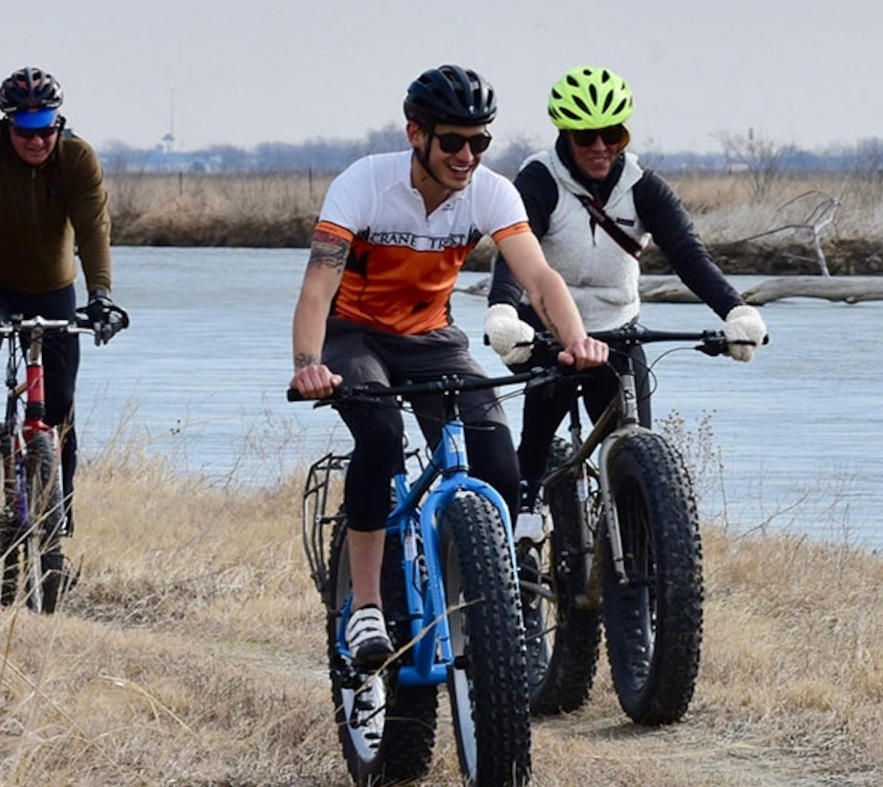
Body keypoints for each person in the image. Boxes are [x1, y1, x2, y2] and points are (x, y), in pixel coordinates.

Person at [287, 66, 607, 672]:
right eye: (453, 142)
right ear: (417, 135)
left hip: (432, 337)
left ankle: (485, 595)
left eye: (479, 141)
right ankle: (367, 607)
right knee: (380, 435)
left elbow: (540, 278)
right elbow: (317, 285)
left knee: (497, 457)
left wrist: (577, 341)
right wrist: (308, 365)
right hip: (354, 334)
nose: (467, 156)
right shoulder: (365, 183)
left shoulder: (491, 192)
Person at [482, 65, 768, 551]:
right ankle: (524, 520)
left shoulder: (643, 186)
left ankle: (638, 561)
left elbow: (688, 254)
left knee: (636, 456)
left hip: (618, 331)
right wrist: (503, 313)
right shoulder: (539, 180)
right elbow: (514, 251)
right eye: (586, 137)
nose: (600, 147)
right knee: (535, 441)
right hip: (547, 333)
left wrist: (736, 312)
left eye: (612, 134)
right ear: (565, 136)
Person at [0, 66, 127, 508]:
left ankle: (60, 510)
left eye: (46, 128)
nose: (37, 140)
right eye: (25, 130)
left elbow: (93, 230)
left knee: (60, 398)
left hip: (50, 283)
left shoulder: (78, 158)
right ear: (7, 124)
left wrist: (101, 296)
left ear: (58, 121)